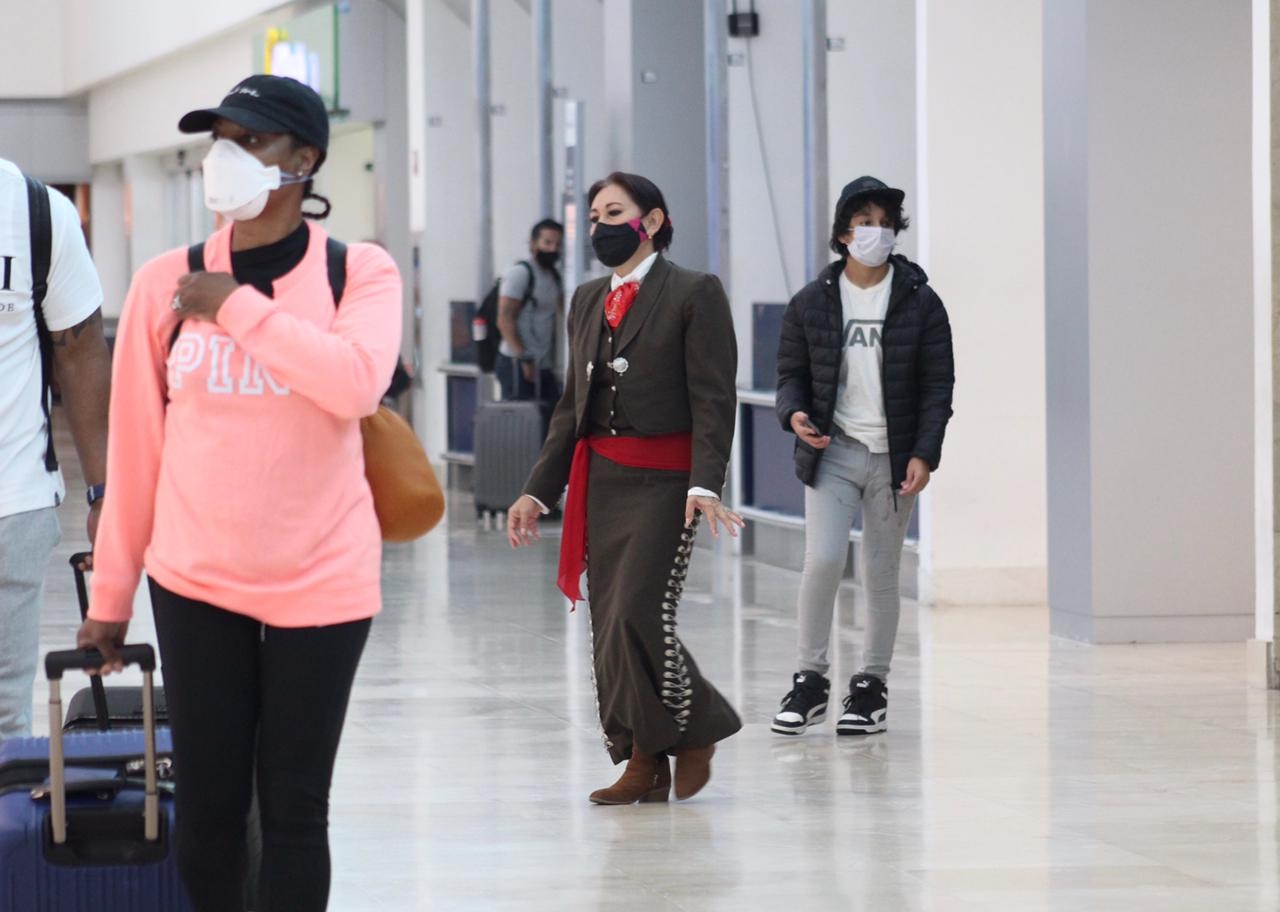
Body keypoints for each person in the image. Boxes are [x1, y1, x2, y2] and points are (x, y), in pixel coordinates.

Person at [76, 75, 402, 912]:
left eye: (250, 140)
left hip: (323, 581)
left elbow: (356, 383)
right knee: (211, 813)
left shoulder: (356, 273)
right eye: (218, 138)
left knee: (296, 809)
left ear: (304, 161)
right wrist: (111, 596)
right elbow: (136, 454)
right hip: (196, 579)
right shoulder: (165, 284)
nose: (227, 157)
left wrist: (240, 310)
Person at [507, 172, 744, 804]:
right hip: (602, 481)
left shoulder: (695, 292)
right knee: (610, 625)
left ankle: (700, 728)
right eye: (592, 216)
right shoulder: (586, 298)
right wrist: (537, 489)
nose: (599, 227)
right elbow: (571, 407)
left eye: (615, 212)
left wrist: (706, 483)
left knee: (642, 610)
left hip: (669, 483)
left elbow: (715, 400)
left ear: (654, 220)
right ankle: (642, 759)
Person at [771, 176, 954, 738]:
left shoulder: (921, 302)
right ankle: (810, 681)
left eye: (885, 222)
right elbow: (790, 376)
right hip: (834, 453)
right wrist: (794, 415)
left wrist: (925, 453)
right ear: (843, 232)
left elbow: (936, 386)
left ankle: (870, 687)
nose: (876, 232)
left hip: (894, 460)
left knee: (880, 571)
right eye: (865, 221)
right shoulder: (812, 302)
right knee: (822, 560)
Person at [0, 159, 109, 741]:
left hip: (10, 505)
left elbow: (82, 348)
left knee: (2, 721)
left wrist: (105, 491)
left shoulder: (34, 211)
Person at [494, 218, 564, 404]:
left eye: (557, 244)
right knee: (522, 426)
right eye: (547, 242)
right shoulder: (520, 273)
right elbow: (505, 318)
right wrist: (523, 357)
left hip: (542, 364)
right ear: (533, 244)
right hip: (517, 362)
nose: (553, 249)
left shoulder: (554, 277)